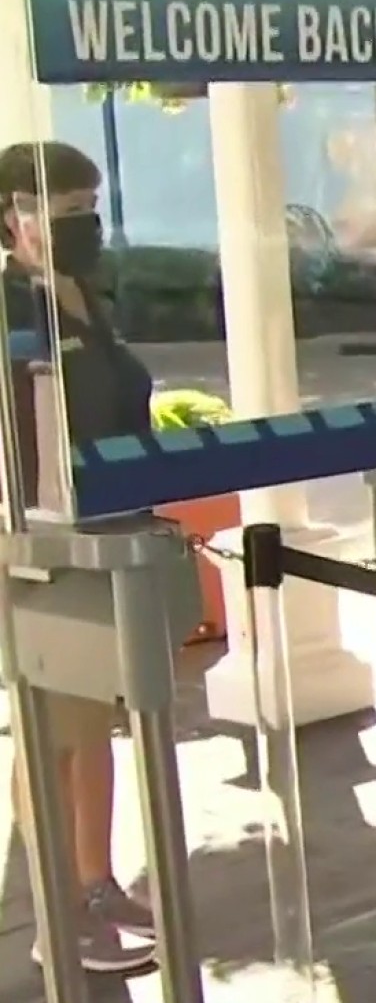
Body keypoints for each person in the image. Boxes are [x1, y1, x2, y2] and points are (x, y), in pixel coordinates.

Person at [1, 140, 158, 971]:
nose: (84, 225)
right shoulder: (9, 305)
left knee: (93, 725)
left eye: (89, 207)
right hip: (39, 540)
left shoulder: (88, 297)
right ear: (15, 219)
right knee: (50, 731)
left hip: (108, 527)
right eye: (64, 212)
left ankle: (97, 882)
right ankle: (54, 909)